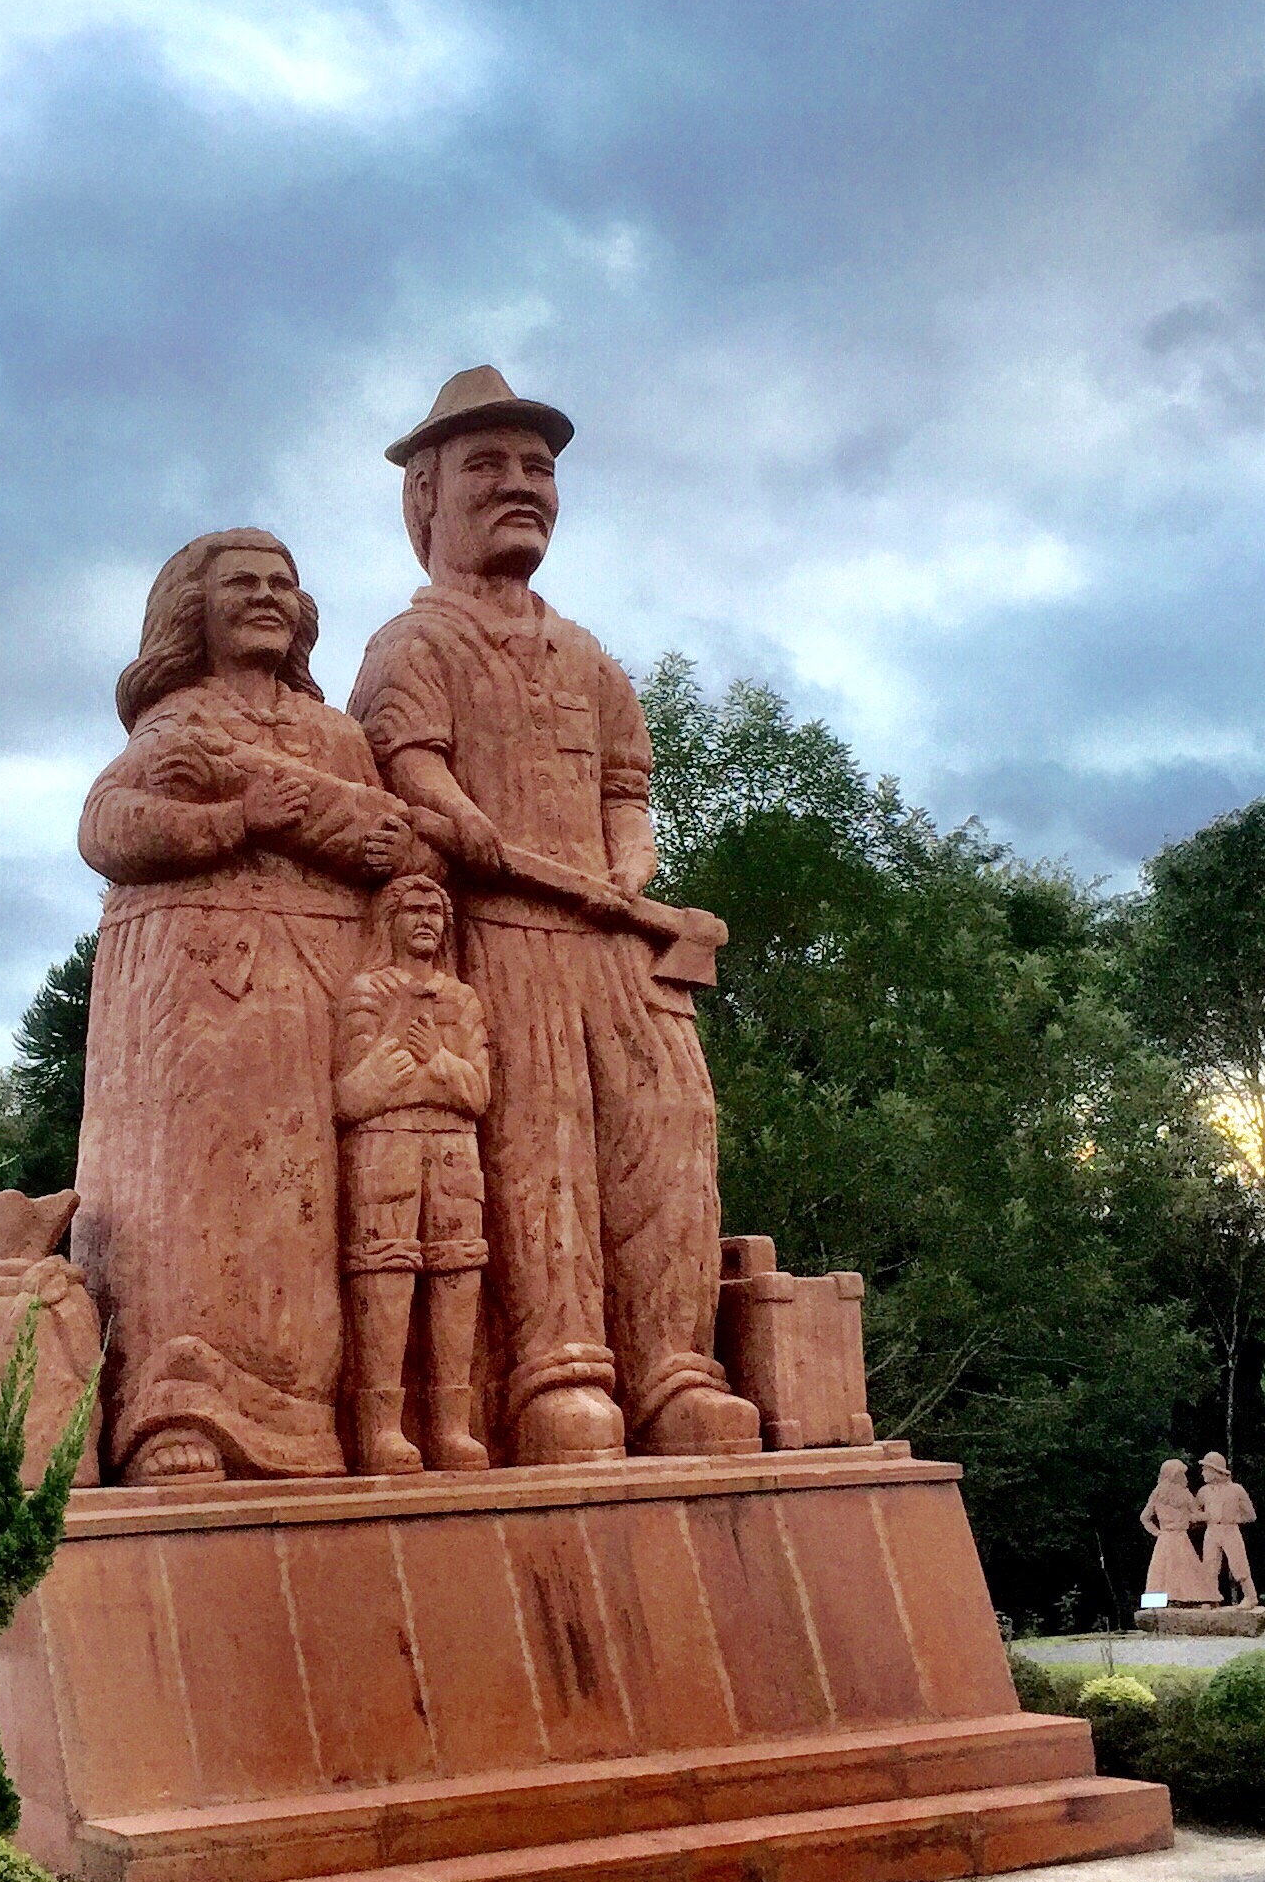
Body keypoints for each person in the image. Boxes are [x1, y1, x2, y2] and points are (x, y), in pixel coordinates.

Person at [350, 368, 763, 1465]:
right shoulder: (412, 648)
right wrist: (464, 824)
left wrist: (631, 881)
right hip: (502, 940)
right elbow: (410, 770)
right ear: (424, 498)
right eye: (487, 465)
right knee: (542, 1149)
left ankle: (675, 1372)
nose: (520, 485)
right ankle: (560, 1378)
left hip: (615, 942)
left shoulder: (588, 659)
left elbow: (628, 794)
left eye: (538, 467)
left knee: (668, 1139)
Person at [70, 529, 415, 1482]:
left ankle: (315, 1422)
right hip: (197, 990)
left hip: (320, 987)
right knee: (197, 1189)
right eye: (242, 585)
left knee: (306, 1204)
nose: (268, 597)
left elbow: (389, 843)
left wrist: (291, 808)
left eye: (283, 584)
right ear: (195, 610)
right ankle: (175, 1413)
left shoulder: (336, 736)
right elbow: (108, 827)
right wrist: (244, 819)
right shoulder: (175, 723)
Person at [333, 873, 494, 1474]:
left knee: (458, 1265)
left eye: (436, 910)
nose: (427, 920)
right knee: (385, 1267)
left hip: (455, 1145)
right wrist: (403, 1077)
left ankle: (451, 1426)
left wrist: (438, 1063)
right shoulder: (366, 994)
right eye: (414, 910)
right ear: (389, 921)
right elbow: (352, 1094)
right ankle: (381, 1429)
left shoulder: (461, 1000)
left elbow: (478, 1093)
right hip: (383, 1144)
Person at [1139, 1460, 1214, 1608]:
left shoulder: (1158, 1493)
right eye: (1181, 1474)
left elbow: (1144, 1518)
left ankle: (1163, 1602)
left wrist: (1157, 1532)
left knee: (1164, 1572)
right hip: (1178, 1538)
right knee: (1183, 1569)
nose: (1184, 1478)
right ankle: (1188, 1598)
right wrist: (1210, 1514)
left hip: (1167, 1538)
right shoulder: (1182, 1494)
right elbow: (1196, 1514)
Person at [1197, 1451, 1259, 1607]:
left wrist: (1234, 1519)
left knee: (1239, 1564)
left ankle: (1250, 1596)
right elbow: (1194, 1512)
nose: (1203, 1473)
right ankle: (1211, 1598)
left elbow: (1251, 1515)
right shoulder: (1204, 1492)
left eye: (1206, 1469)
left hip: (1230, 1530)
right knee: (1209, 1566)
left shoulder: (1236, 1490)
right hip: (1211, 1531)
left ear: (1215, 1471)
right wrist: (1203, 1516)